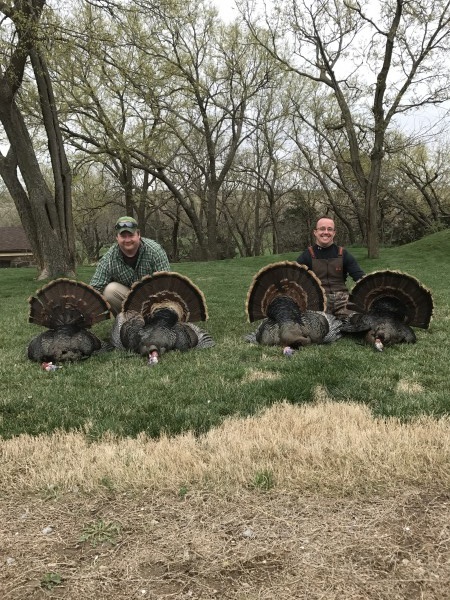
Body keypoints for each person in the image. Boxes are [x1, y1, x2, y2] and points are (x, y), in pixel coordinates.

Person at [90, 216, 170, 315]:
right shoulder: (109, 258)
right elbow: (95, 287)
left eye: (131, 235)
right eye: (123, 236)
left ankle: (156, 323)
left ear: (138, 235)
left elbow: (165, 284)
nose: (127, 240)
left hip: (154, 300)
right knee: (110, 290)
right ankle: (126, 324)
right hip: (128, 300)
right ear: (117, 238)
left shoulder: (155, 251)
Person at [296, 216, 365, 317]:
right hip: (318, 303)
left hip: (342, 301)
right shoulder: (306, 256)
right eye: (322, 229)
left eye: (330, 229)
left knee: (361, 320)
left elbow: (360, 277)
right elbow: (295, 281)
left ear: (334, 233)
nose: (326, 232)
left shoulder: (343, 254)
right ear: (315, 232)